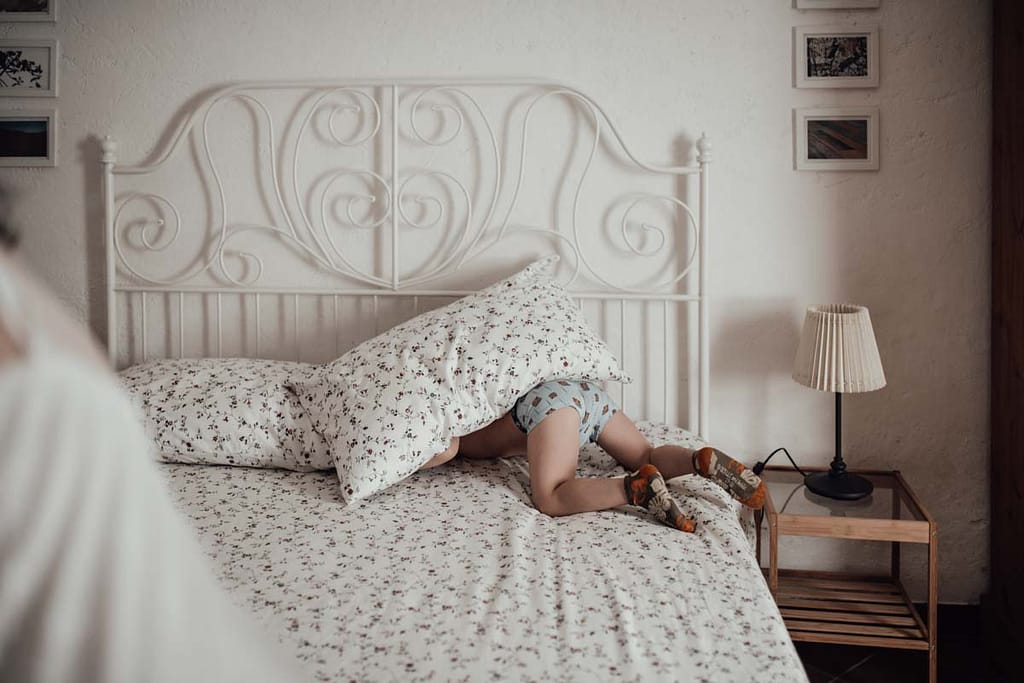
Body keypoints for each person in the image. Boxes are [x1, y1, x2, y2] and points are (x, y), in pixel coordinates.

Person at [420, 378, 766, 532]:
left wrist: (414, 459)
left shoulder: (451, 428)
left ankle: (634, 488)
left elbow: (445, 449)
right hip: (585, 393)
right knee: (645, 451)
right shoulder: (475, 398)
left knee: (552, 495)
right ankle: (697, 460)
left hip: (549, 407)